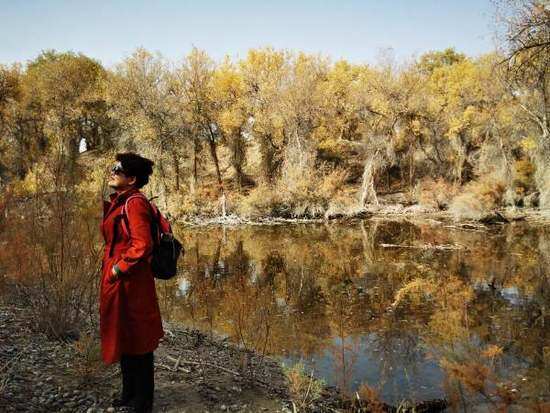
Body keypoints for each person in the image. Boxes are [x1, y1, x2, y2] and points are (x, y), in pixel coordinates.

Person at [100, 152, 164, 413]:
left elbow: (143, 244)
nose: (113, 171)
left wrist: (118, 268)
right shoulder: (121, 200)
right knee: (125, 336)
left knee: (139, 340)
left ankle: (143, 401)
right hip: (121, 281)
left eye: (119, 169)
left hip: (133, 283)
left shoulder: (135, 203)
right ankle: (129, 394)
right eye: (114, 167)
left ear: (132, 179)